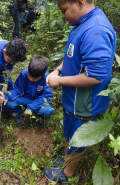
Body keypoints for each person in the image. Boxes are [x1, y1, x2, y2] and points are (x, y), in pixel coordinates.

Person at [44, 0, 116, 183]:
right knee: (70, 131)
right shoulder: (81, 23)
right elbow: (72, 55)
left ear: (80, 2)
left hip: (84, 102)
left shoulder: (95, 30)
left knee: (79, 137)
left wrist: (59, 81)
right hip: (73, 98)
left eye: (64, 10)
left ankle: (67, 172)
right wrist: (58, 70)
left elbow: (96, 76)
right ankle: (67, 160)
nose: (62, 15)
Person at [0, 55, 54, 125]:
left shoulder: (47, 78)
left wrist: (32, 107)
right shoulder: (24, 74)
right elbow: (18, 89)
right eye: (30, 76)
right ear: (28, 67)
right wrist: (7, 95)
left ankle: (39, 118)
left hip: (38, 101)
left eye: (35, 79)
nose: (31, 79)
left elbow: (47, 96)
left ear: (43, 75)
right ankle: (22, 113)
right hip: (24, 99)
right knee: (5, 102)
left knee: (47, 111)